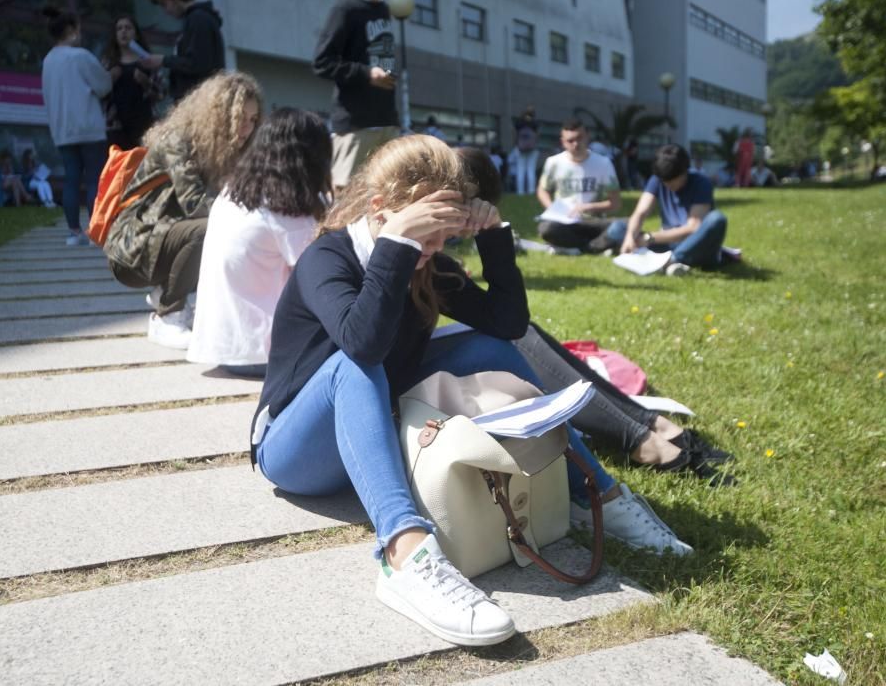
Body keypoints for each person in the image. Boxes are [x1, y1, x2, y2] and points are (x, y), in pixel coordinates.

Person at [252, 135, 692, 648]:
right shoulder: (327, 259)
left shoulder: (424, 262)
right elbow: (363, 344)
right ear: (380, 211)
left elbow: (508, 324)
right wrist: (399, 245)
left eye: (444, 237)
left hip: (367, 420)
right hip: (292, 450)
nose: (435, 251)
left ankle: (595, 490)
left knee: (490, 347)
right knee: (356, 367)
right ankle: (405, 552)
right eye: (426, 236)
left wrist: (493, 234)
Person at [455, 146, 731, 481]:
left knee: (524, 331)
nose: (459, 233)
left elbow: (510, 319)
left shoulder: (432, 261)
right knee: (514, 339)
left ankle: (650, 424)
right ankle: (643, 441)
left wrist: (492, 233)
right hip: (407, 379)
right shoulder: (404, 250)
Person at [102, 71, 262, 350]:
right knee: (211, 229)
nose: (247, 129)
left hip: (162, 237)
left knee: (234, 231)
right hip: (132, 246)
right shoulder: (177, 141)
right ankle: (168, 314)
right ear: (218, 115)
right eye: (240, 119)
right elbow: (195, 203)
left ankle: (168, 292)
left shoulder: (227, 152)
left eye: (253, 120)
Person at [187, 108, 332, 375]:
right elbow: (325, 276)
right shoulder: (287, 207)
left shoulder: (233, 192)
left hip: (223, 347)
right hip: (265, 353)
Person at [41, 6, 112, 245]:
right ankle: (95, 232)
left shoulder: (48, 61)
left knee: (71, 178)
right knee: (94, 179)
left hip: (62, 130)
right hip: (88, 127)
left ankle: (74, 232)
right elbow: (104, 86)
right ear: (71, 30)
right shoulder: (80, 56)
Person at [313, 0, 399, 190]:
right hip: (355, 125)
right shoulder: (344, 9)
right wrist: (366, 73)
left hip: (387, 122)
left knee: (391, 195)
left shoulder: (384, 10)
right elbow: (322, 62)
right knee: (346, 199)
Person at [601, 144, 728, 273]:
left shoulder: (701, 183)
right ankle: (659, 259)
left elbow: (692, 228)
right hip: (667, 242)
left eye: (673, 180)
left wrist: (649, 238)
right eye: (665, 181)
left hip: (693, 243)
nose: (668, 185)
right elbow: (640, 213)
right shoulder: (658, 180)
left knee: (717, 219)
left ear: (684, 171)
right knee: (618, 228)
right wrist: (630, 237)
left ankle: (673, 260)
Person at [535, 119, 622, 254]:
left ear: (587, 137)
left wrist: (588, 207)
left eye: (579, 138)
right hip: (564, 221)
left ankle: (573, 247)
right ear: (563, 142)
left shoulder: (604, 163)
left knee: (624, 225)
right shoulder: (553, 163)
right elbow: (542, 190)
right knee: (546, 229)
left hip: (593, 220)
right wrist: (552, 208)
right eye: (570, 141)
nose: (576, 144)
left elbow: (615, 203)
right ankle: (597, 246)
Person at [141, 0, 225, 103]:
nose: (166, 11)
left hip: (200, 101)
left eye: (164, 4)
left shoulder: (198, 18)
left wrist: (163, 60)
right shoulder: (196, 18)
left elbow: (197, 63)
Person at [102, 15, 164, 150]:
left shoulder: (147, 60)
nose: (123, 32)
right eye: (119, 28)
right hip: (117, 125)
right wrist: (109, 80)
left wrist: (146, 82)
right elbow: (99, 95)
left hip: (145, 123)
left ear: (136, 34)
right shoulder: (108, 63)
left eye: (128, 28)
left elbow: (160, 94)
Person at [512, 105, 539, 195]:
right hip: (532, 149)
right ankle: (531, 191)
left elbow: (515, 135)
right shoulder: (535, 123)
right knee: (531, 170)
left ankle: (520, 191)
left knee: (520, 170)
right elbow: (536, 136)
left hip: (521, 148)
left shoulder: (519, 122)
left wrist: (516, 144)